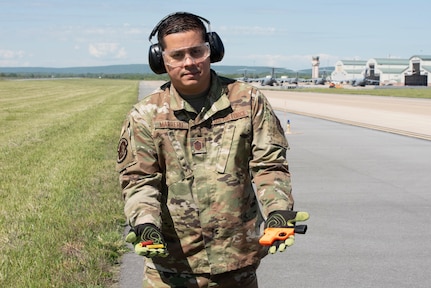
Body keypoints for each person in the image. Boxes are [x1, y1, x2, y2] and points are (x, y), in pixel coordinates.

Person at [116, 12, 309, 288]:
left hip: (237, 267)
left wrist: (278, 210)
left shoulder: (248, 101)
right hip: (170, 270)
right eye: (178, 55)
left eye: (197, 51)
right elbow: (139, 181)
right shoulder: (145, 115)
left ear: (212, 50)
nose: (189, 62)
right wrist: (146, 224)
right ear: (161, 60)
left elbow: (269, 166)